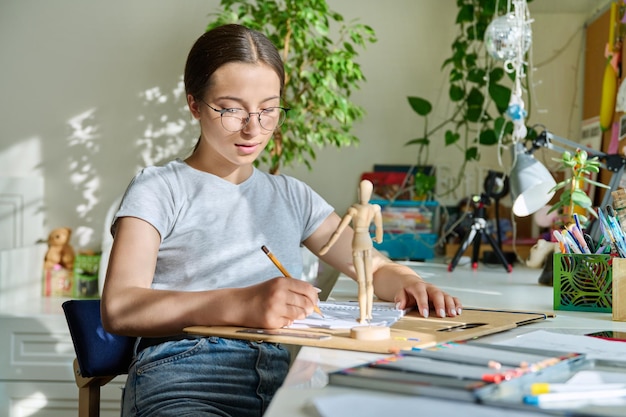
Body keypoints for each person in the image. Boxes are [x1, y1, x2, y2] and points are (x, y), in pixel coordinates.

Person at [101, 23, 462, 417]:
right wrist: (242, 303)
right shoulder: (159, 188)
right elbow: (121, 307)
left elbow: (367, 263)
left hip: (285, 381)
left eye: (269, 109)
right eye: (231, 109)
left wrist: (407, 282)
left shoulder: (291, 195)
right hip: (186, 377)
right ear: (194, 105)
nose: (253, 128)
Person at [319, 179, 383, 323]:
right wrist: (378, 239)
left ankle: (364, 315)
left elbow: (338, 231)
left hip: (358, 242)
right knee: (368, 282)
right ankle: (368, 314)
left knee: (362, 282)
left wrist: (328, 246)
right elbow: (379, 230)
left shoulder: (354, 209)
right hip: (367, 242)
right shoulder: (375, 209)